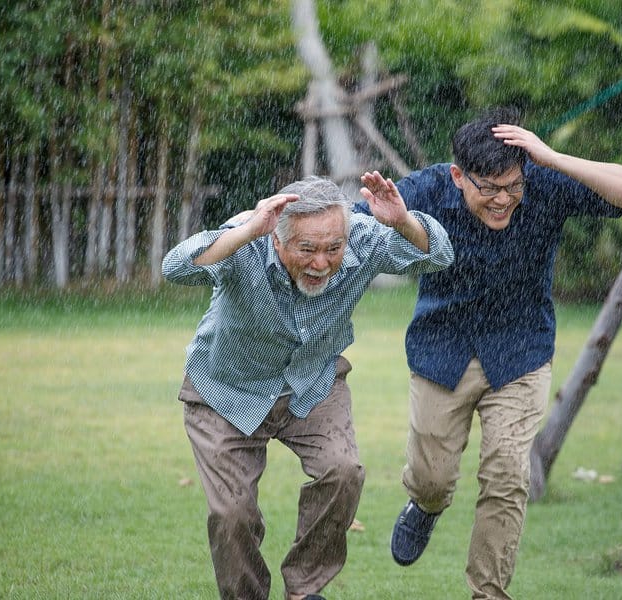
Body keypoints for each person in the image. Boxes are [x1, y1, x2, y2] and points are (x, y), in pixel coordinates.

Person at [356, 106, 622, 599]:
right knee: (431, 479)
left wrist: (552, 158)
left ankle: (487, 592)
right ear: (458, 176)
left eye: (511, 186)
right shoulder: (430, 187)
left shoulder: (543, 181)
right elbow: (351, 222)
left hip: (520, 353)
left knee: (507, 475)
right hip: (441, 349)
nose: (502, 200)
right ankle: (424, 506)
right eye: (488, 188)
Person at [162, 175, 453, 600]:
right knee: (232, 513)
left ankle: (304, 589)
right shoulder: (251, 237)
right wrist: (245, 230)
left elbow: (439, 255)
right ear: (278, 241)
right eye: (308, 250)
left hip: (313, 382)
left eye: (333, 249)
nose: (322, 262)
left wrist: (403, 221)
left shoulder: (362, 236)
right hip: (225, 390)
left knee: (343, 471)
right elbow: (175, 267)